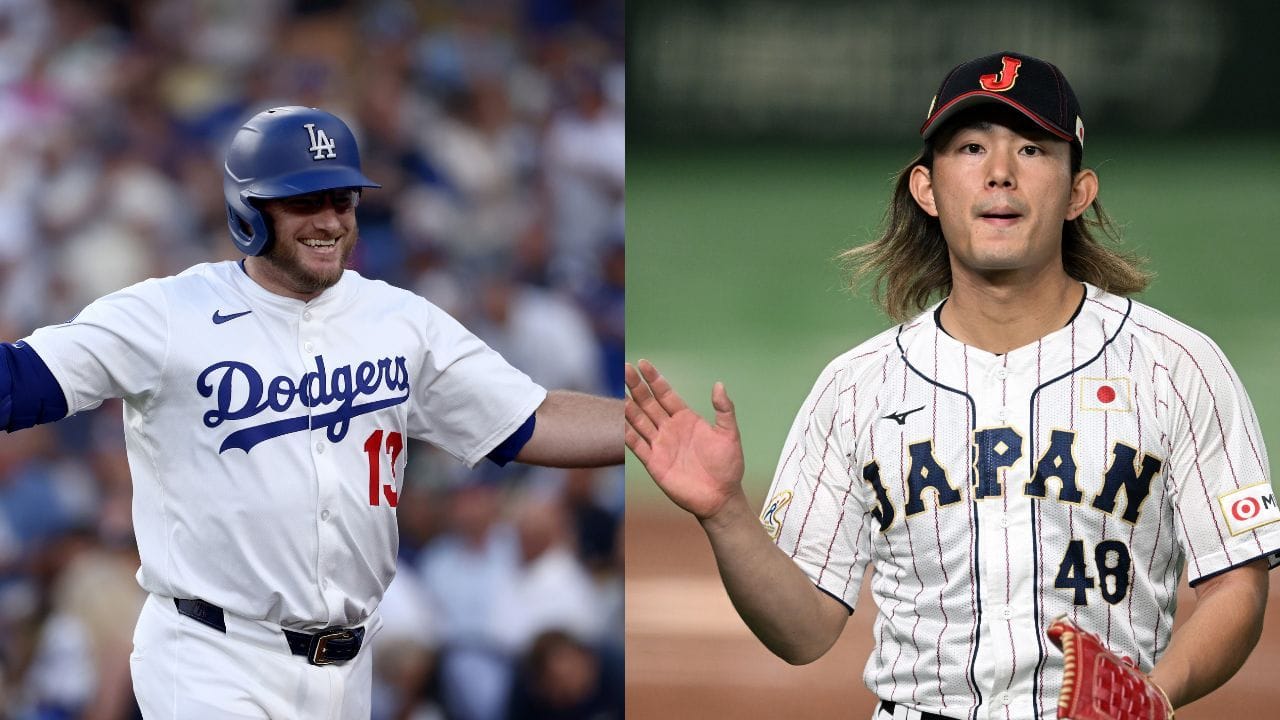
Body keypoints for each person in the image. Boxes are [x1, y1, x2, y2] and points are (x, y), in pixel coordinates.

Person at [625, 51, 1280, 720]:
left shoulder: (1176, 365)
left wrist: (1152, 696)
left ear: (1078, 190)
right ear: (927, 189)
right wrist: (726, 513)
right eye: (971, 148)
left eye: (1031, 149)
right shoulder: (856, 388)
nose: (1000, 173)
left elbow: (1236, 587)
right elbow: (805, 629)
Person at [1, 105, 623, 718]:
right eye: (304, 201)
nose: (329, 220)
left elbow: (529, 419)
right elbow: (19, 382)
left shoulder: (399, 319)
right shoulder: (168, 314)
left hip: (348, 669)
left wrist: (650, 431)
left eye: (342, 200)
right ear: (249, 210)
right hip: (212, 658)